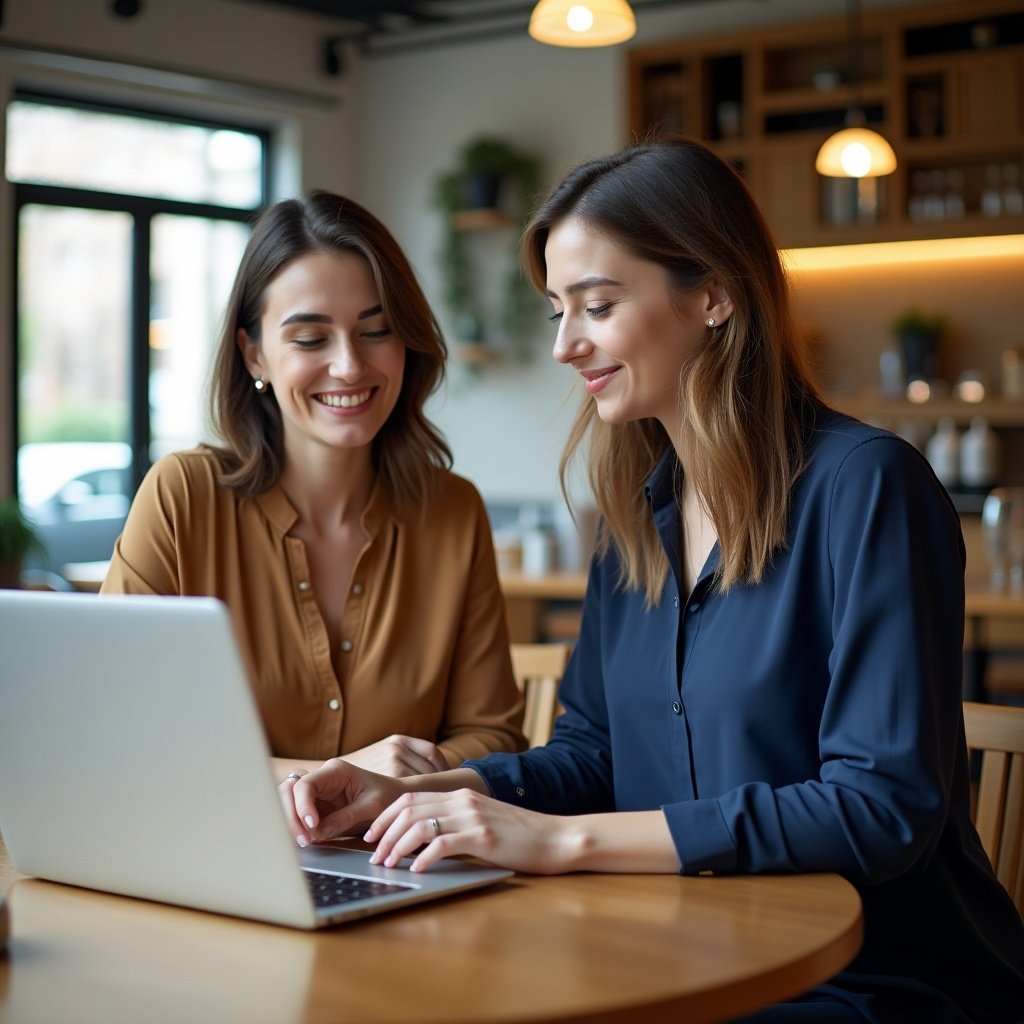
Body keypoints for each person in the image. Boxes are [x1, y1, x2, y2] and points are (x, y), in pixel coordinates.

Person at [279, 141, 1024, 1021]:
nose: (564, 344)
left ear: (713, 293)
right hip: (673, 948)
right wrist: (432, 793)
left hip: (866, 977)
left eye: (596, 304)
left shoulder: (867, 486)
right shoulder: (634, 515)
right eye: (558, 310)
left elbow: (879, 808)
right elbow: (593, 755)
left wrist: (561, 843)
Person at [102, 191, 526, 778]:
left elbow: (494, 735)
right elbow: (118, 725)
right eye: (309, 339)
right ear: (254, 355)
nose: (350, 366)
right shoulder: (183, 497)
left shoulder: (452, 511)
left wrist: (396, 778)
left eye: (376, 332)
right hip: (210, 856)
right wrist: (337, 776)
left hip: (399, 860)